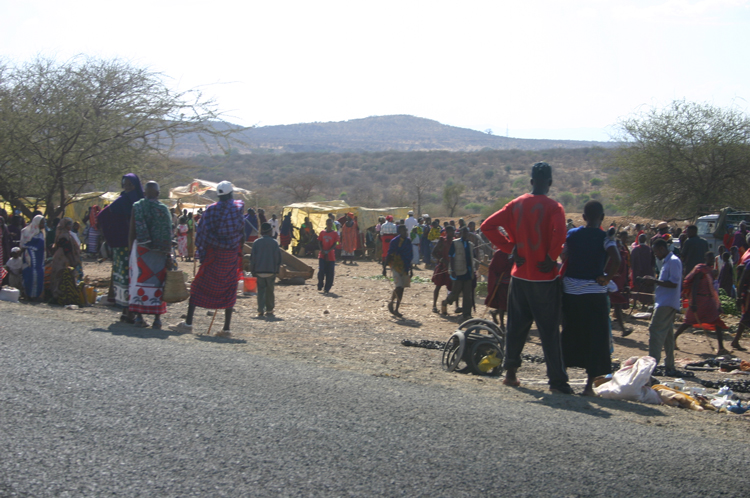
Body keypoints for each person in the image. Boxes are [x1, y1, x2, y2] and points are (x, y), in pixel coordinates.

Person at [481, 162, 572, 394]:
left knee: (516, 327)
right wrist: (551, 257)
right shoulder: (554, 207)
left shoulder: (515, 205)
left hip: (519, 277)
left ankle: (510, 374)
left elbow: (487, 226)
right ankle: (557, 382)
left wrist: (511, 248)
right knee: (549, 331)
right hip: (544, 279)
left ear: (531, 181)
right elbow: (560, 234)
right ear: (550, 183)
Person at [560, 201, 620, 396]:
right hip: (595, 293)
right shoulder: (606, 238)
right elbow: (616, 259)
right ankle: (588, 387)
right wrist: (607, 278)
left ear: (584, 217)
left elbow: (564, 254)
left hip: (571, 292)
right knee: (596, 338)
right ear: (602, 217)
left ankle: (562, 379)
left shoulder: (572, 235)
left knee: (570, 333)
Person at [174, 181, 244, 337]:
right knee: (229, 289)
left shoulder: (211, 210)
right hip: (231, 257)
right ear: (231, 194)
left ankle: (188, 323)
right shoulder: (238, 208)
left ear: (218, 195)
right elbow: (242, 234)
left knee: (198, 286)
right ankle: (226, 329)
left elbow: (203, 234)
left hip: (214, 256)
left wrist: (203, 252)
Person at [98, 173, 145, 321]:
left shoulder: (140, 201)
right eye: (125, 183)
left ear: (136, 185)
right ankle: (127, 310)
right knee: (127, 276)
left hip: (139, 244)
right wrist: (114, 233)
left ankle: (131, 310)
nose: (127, 186)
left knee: (135, 276)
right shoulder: (122, 201)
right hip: (124, 244)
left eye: (130, 184)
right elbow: (102, 216)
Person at [127, 182, 172, 329]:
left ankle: (139, 317)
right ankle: (157, 319)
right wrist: (168, 253)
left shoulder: (137, 206)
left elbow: (132, 230)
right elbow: (168, 233)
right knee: (158, 281)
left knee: (139, 279)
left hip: (140, 249)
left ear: (145, 193)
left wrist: (130, 250)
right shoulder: (163, 209)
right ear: (158, 193)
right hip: (159, 252)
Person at [637, 238, 682, 373]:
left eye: (656, 251)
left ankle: (652, 364)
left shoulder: (673, 261)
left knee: (655, 330)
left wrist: (654, 281)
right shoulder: (667, 261)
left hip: (666, 303)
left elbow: (673, 283)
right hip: (664, 301)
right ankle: (670, 365)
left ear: (662, 249)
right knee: (668, 335)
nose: (655, 254)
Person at [674, 252, 729, 354]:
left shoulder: (710, 272)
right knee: (688, 322)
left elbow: (712, 289)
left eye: (713, 259)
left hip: (709, 301)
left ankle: (721, 348)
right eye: (710, 258)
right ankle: (673, 338)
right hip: (699, 300)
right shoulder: (701, 270)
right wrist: (693, 303)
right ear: (705, 258)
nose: (711, 260)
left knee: (717, 322)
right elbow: (694, 286)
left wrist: (717, 305)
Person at [441, 226, 476, 321]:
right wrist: (452, 270)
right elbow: (451, 257)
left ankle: (466, 314)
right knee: (455, 293)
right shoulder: (455, 243)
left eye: (467, 233)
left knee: (467, 294)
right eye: (464, 233)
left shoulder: (471, 245)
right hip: (459, 271)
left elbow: (473, 258)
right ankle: (445, 302)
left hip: (468, 272)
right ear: (460, 233)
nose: (466, 235)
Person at [249, 222, 282, 317]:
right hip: (271, 271)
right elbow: (278, 258)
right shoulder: (274, 243)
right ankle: (269, 309)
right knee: (270, 291)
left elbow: (253, 259)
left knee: (261, 291)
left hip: (259, 271)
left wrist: (253, 270)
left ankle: (260, 310)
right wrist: (277, 269)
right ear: (269, 232)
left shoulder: (256, 243)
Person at [50, 217, 83, 305]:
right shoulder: (63, 236)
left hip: (63, 256)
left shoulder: (68, 234)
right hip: (62, 258)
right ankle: (59, 295)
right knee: (61, 275)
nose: (71, 226)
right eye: (69, 224)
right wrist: (72, 260)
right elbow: (67, 250)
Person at [385, 224, 413, 318]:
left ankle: (396, 309)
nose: (405, 232)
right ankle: (392, 302)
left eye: (406, 230)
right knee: (399, 286)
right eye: (403, 231)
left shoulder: (408, 241)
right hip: (395, 265)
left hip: (405, 266)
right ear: (399, 232)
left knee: (402, 289)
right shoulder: (394, 241)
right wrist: (384, 268)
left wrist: (411, 269)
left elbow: (410, 256)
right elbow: (389, 254)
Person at [609, 230, 633, 336]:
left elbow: (625, 271)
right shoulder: (611, 258)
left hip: (617, 286)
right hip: (610, 285)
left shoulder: (622, 256)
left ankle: (622, 329)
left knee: (617, 307)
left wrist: (626, 284)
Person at [20, 215, 47, 301]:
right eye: (42, 222)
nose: (43, 224)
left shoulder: (41, 233)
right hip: (29, 257)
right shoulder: (27, 232)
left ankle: (36, 295)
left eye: (44, 222)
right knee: (29, 274)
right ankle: (27, 295)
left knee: (39, 275)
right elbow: (23, 245)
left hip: (39, 259)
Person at [485, 248, 513, 328]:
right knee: (502, 304)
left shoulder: (515, 252)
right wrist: (495, 279)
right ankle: (502, 324)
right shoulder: (499, 253)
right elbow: (493, 268)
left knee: (510, 305)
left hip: (512, 283)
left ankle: (495, 313)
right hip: (502, 283)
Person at [431, 225, 455, 313]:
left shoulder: (455, 241)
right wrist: (441, 260)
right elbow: (434, 253)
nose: (452, 233)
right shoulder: (442, 241)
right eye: (450, 231)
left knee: (453, 287)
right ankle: (434, 305)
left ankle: (455, 306)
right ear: (447, 232)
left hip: (452, 267)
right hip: (442, 267)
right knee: (438, 286)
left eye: (453, 231)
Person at [630, 233, 655, 306]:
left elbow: (632, 262)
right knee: (647, 288)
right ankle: (647, 304)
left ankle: (636, 304)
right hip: (648, 272)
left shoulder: (635, 250)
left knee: (638, 287)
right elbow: (653, 262)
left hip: (638, 273)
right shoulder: (649, 249)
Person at [317, 218, 339, 293]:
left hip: (330, 256)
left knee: (330, 273)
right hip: (322, 255)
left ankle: (327, 288)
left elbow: (335, 243)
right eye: (328, 224)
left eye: (331, 224)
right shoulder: (322, 233)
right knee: (321, 270)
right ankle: (320, 284)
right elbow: (319, 241)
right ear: (326, 224)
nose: (329, 225)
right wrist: (322, 250)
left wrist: (328, 251)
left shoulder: (335, 233)